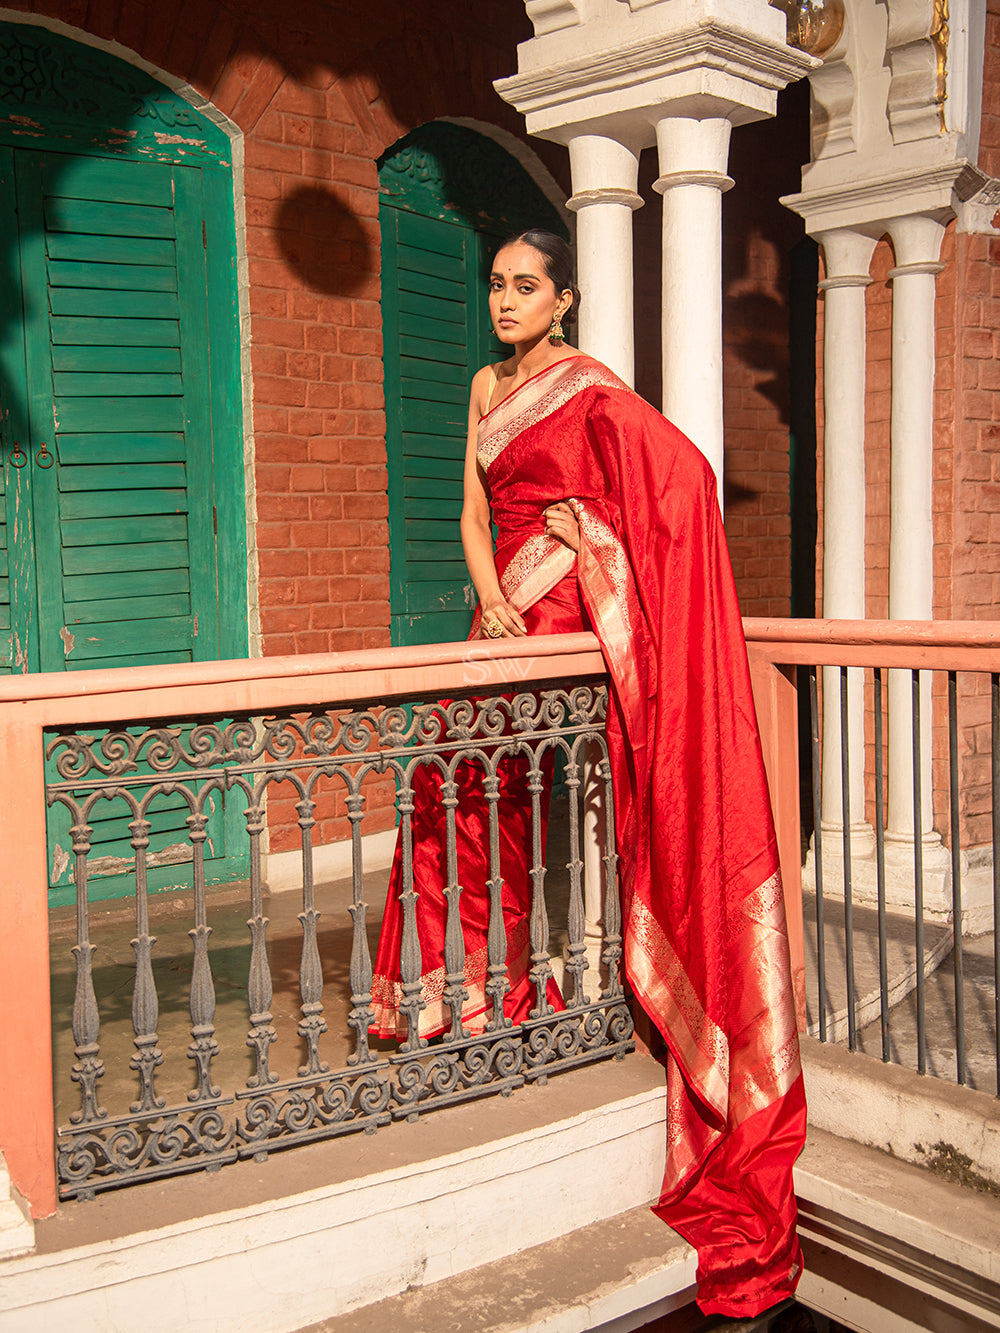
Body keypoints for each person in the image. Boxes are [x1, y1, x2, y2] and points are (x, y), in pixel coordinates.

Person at [372, 229, 806, 1320]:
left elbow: (680, 477)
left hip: (567, 603)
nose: (505, 301)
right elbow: (470, 514)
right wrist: (496, 596)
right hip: (501, 609)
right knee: (455, 800)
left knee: (543, 796)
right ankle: (459, 991)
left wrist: (585, 540)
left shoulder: (591, 389)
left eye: (526, 287)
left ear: (563, 299)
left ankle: (601, 982)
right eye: (496, 286)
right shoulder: (482, 384)